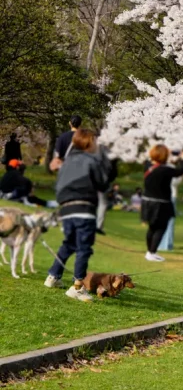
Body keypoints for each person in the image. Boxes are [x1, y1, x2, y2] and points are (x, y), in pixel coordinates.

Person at [44, 129, 112, 302]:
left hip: (66, 209)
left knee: (69, 244)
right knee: (84, 247)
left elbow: (58, 187)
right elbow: (103, 185)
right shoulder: (92, 161)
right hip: (84, 208)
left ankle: (53, 276)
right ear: (89, 143)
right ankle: (77, 286)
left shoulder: (66, 163)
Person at [142, 145, 183, 262]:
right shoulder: (165, 170)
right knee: (161, 227)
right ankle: (152, 252)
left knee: (152, 227)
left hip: (147, 202)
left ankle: (150, 251)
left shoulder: (148, 166)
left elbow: (150, 159)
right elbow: (180, 171)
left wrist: (165, 152)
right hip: (161, 203)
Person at [159, 151, 183, 252]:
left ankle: (163, 244)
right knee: (170, 221)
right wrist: (181, 177)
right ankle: (166, 245)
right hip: (170, 195)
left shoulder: (160, 166)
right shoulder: (169, 167)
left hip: (163, 196)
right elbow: (174, 182)